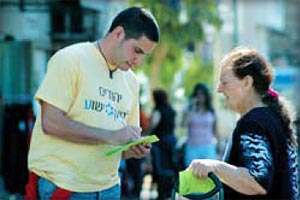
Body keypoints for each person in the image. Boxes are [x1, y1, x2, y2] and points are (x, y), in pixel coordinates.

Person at [26, 7, 160, 200]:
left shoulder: (131, 82)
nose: (138, 61)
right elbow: (51, 123)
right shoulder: (70, 59)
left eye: (144, 55)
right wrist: (111, 136)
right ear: (118, 33)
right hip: (65, 185)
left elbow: (118, 147)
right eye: (137, 50)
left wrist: (133, 149)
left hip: (109, 188)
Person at [187, 47, 298, 199]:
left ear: (246, 82)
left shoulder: (253, 122)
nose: (219, 89)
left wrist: (214, 166)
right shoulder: (275, 118)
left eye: (224, 82)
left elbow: (257, 180)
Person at [182, 83, 219, 167]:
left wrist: (219, 147)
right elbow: (184, 125)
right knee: (192, 174)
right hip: (192, 147)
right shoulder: (189, 109)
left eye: (202, 94)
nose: (200, 96)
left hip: (208, 147)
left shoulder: (211, 111)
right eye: (197, 94)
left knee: (209, 174)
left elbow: (216, 130)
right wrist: (193, 106)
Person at [149, 89, 177, 200]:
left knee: (160, 169)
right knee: (170, 167)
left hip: (159, 143)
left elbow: (153, 125)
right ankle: (169, 192)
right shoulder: (171, 110)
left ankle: (161, 194)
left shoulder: (158, 110)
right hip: (171, 141)